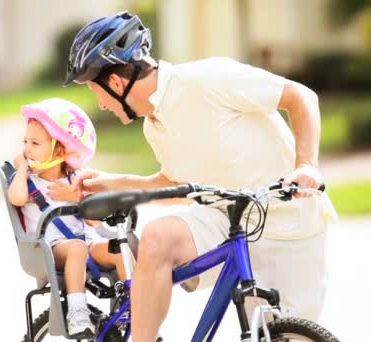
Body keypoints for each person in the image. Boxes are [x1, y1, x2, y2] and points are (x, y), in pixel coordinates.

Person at [63, 11, 338, 341]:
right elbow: (183, 186)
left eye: (97, 92)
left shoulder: (208, 78)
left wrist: (306, 164)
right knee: (158, 238)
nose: (102, 105)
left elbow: (301, 96)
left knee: (288, 335)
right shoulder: (156, 126)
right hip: (226, 219)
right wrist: (115, 181)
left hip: (287, 222)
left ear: (117, 83)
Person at [7, 97, 131, 337]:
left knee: (121, 248)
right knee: (75, 248)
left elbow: (94, 222)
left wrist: (76, 198)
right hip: (51, 247)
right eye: (25, 141)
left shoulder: (76, 178)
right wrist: (21, 168)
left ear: (60, 150)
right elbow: (17, 199)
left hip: (87, 242)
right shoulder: (30, 181)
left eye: (35, 143)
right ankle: (77, 311)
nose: (26, 149)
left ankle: (134, 309)